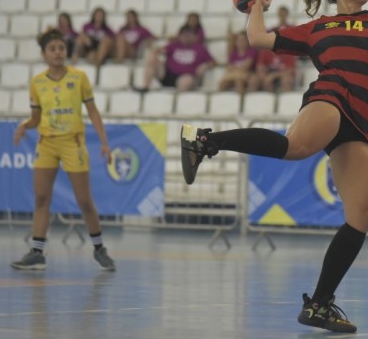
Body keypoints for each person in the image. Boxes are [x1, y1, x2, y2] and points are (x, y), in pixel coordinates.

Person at [179, 0, 368, 333]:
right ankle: (204, 141)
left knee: (361, 216)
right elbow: (258, 39)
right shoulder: (318, 27)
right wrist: (256, 4)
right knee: (296, 147)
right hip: (332, 93)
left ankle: (320, 305)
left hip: (359, 120)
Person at [11, 28, 116, 271]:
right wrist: (25, 125)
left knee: (84, 200)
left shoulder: (78, 77)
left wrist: (104, 142)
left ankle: (99, 248)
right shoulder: (37, 82)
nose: (58, 53)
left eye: (61, 48)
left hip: (73, 142)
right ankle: (37, 252)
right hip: (46, 143)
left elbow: (92, 111)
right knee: (40, 198)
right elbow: (36, 118)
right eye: (52, 49)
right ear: (44, 54)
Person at [136, 26, 216, 93]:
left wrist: (205, 66)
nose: (186, 37)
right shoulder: (174, 45)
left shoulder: (200, 48)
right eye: (184, 34)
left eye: (188, 35)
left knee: (187, 80)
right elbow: (160, 50)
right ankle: (146, 87)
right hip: (167, 74)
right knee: (151, 58)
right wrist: (155, 51)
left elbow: (213, 62)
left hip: (185, 76)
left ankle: (177, 101)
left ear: (194, 36)